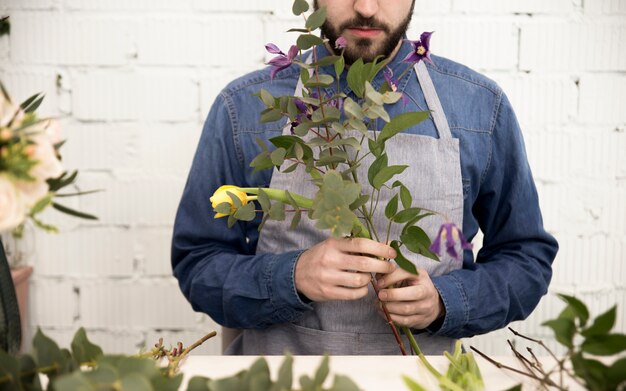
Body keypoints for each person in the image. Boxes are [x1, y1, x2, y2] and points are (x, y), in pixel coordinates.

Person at [172, 0, 558, 355]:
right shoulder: (245, 108)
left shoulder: (479, 108)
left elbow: (526, 258)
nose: (366, 8)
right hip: (280, 378)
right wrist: (290, 277)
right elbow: (198, 262)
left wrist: (446, 300)